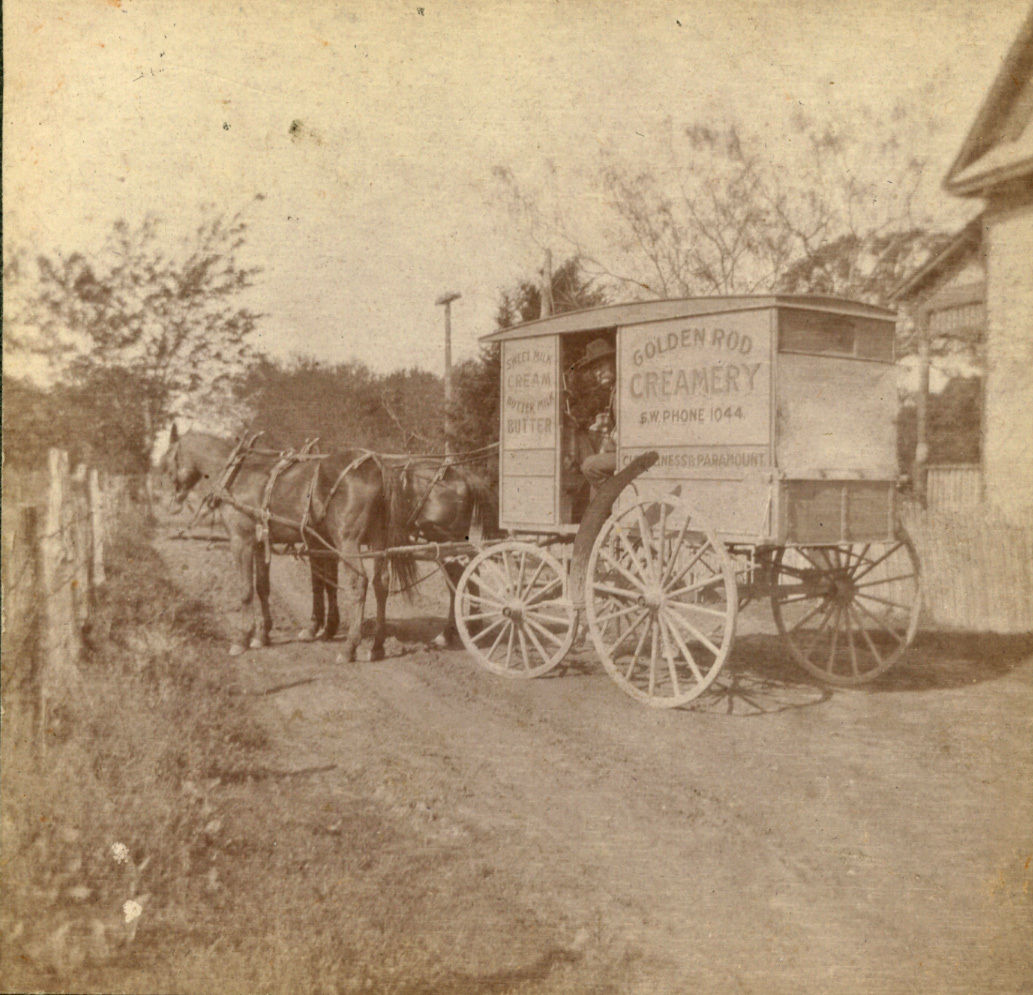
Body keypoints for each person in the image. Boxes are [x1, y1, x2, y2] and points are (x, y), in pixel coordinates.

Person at [570, 338, 617, 498]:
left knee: (589, 466)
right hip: (623, 453)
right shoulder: (615, 390)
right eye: (594, 369)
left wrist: (610, 440)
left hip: (629, 455)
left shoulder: (622, 391)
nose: (597, 373)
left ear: (613, 361)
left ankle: (614, 501)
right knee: (593, 487)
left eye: (600, 366)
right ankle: (598, 519)